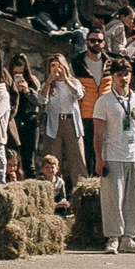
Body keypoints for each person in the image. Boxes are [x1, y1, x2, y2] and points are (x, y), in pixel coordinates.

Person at [91, 58, 135, 254]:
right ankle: (113, 237)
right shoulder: (104, 101)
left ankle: (128, 237)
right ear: (113, 77)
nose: (123, 78)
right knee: (113, 198)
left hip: (134, 155)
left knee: (133, 199)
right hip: (113, 154)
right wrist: (100, 159)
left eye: (126, 74)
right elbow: (98, 133)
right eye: (119, 75)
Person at [40, 52, 88, 184]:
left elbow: (78, 95)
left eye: (59, 65)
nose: (57, 68)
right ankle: (55, 189)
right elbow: (42, 100)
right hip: (54, 123)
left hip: (71, 122)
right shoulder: (48, 84)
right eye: (53, 66)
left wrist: (66, 80)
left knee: (77, 158)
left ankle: (81, 188)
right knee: (54, 159)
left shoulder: (73, 82)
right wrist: (49, 82)